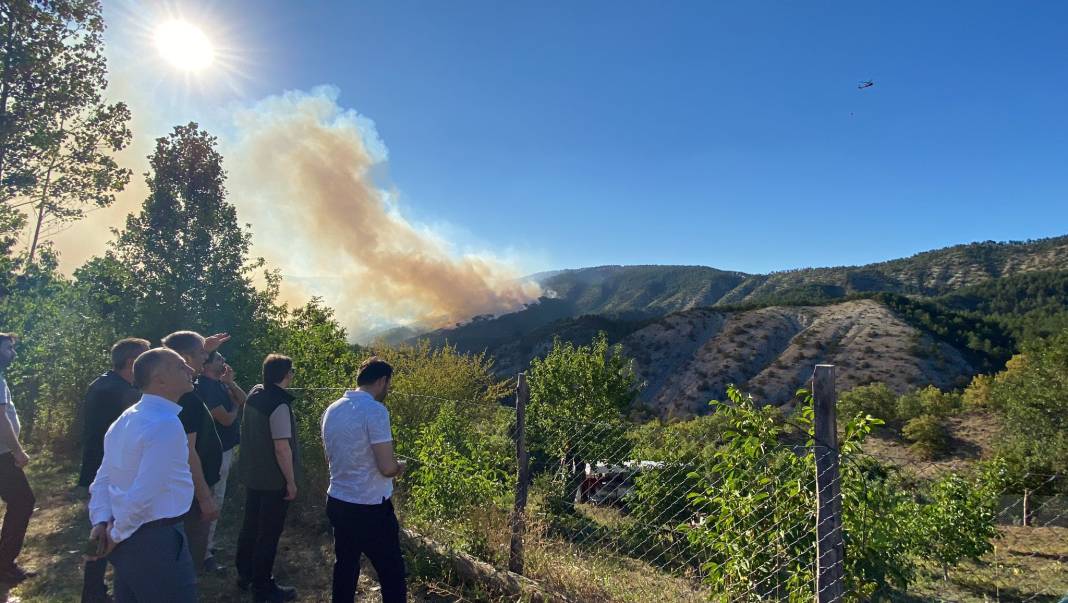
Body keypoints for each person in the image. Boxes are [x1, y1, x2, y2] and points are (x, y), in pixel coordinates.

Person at [87, 348, 198, 602]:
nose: (190, 370)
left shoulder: (126, 418)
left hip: (126, 535)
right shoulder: (165, 424)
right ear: (159, 379)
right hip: (155, 542)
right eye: (181, 366)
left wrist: (100, 522)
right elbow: (145, 492)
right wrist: (112, 535)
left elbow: (103, 478)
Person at [321, 357, 407, 603]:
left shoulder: (332, 409)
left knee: (345, 566)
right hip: (370, 506)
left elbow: (330, 455)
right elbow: (387, 467)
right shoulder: (375, 411)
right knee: (392, 573)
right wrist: (399, 467)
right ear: (382, 381)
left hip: (337, 499)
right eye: (388, 384)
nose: (388, 389)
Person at [79, 337, 150, 602]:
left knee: (98, 526)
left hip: (96, 464)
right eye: (146, 357)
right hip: (111, 469)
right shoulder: (125, 393)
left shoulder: (101, 382)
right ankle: (103, 589)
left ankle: (92, 589)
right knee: (108, 526)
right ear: (133, 362)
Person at [162, 331, 229, 575]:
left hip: (185, 489)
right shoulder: (186, 398)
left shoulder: (173, 389)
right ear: (186, 358)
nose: (207, 357)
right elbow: (188, 451)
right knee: (188, 560)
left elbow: (167, 355)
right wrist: (204, 497)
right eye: (202, 353)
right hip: (191, 492)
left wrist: (205, 347)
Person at [235, 354, 298, 602]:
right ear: (286, 374)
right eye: (291, 371)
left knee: (250, 526)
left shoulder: (255, 394)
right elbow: (282, 448)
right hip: (273, 481)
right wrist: (291, 482)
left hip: (253, 475)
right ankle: (263, 587)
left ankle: (245, 574)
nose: (292, 376)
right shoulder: (279, 405)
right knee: (268, 533)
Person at [196, 351, 246, 572]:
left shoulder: (220, 384)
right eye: (218, 359)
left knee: (216, 496)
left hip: (224, 450)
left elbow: (244, 399)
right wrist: (234, 408)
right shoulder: (205, 387)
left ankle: (206, 544)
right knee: (213, 497)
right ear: (206, 364)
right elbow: (225, 419)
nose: (223, 362)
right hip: (214, 453)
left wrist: (231, 383)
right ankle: (203, 553)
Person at [0, 333, 35, 585]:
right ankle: (4, 565)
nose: (13, 353)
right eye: (8, 348)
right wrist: (17, 451)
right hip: (2, 454)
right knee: (23, 501)